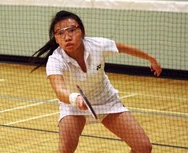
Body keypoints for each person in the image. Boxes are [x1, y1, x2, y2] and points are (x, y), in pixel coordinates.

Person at [32, 10, 162, 153]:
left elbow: (123, 48)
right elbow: (59, 90)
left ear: (81, 31)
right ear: (56, 39)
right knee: (65, 151)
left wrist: (151, 59)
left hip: (106, 101)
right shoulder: (55, 60)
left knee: (143, 147)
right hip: (74, 106)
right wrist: (75, 98)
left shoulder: (98, 45)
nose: (67, 37)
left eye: (71, 30)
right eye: (60, 33)